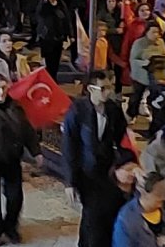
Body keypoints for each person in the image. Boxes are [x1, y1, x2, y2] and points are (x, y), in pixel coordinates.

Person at [61, 70, 129, 247]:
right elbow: (69, 146)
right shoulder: (77, 111)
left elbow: (122, 138)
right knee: (93, 214)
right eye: (103, 88)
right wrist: (69, 181)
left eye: (109, 87)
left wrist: (125, 163)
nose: (108, 92)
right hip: (86, 172)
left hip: (106, 170)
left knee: (105, 212)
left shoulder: (113, 110)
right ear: (91, 89)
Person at [0, 72, 42, 246]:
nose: (1, 92)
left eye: (4, 88)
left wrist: (36, 151)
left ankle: (10, 227)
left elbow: (27, 130)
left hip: (12, 158)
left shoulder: (15, 107)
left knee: (15, 197)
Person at [112, 170, 165, 247]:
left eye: (164, 192)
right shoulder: (126, 220)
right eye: (158, 195)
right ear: (144, 193)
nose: (163, 198)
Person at [128, 21, 165, 123]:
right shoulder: (139, 43)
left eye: (157, 32)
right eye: (153, 32)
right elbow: (133, 59)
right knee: (136, 97)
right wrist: (144, 63)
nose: (156, 35)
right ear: (146, 32)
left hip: (155, 74)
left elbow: (164, 55)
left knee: (154, 96)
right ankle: (132, 114)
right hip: (141, 75)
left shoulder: (161, 42)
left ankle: (153, 116)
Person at [37, 0, 71, 80]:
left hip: (59, 38)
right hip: (47, 39)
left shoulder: (61, 4)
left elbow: (67, 20)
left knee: (56, 62)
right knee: (49, 62)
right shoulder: (44, 5)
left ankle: (54, 79)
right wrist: (45, 1)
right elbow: (40, 15)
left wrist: (70, 35)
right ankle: (49, 79)